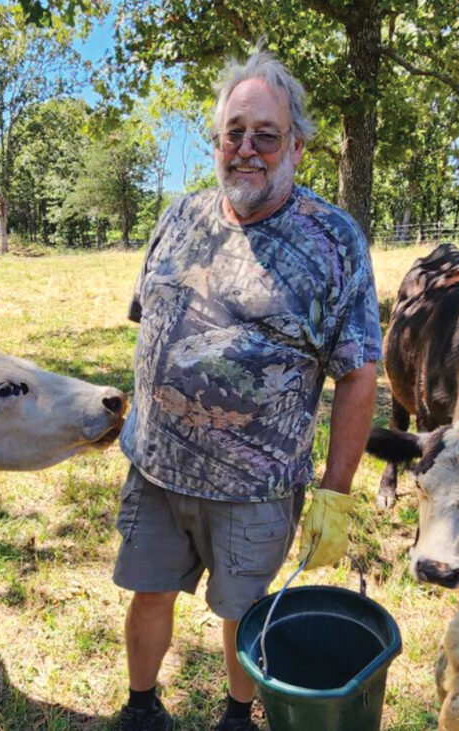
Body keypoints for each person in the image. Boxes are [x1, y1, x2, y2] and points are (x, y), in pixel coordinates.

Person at [113, 46, 381, 731]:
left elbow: (357, 372)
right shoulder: (178, 217)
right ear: (216, 142)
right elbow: (149, 325)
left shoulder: (333, 241)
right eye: (234, 133)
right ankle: (142, 707)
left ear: (296, 146)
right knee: (147, 593)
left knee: (244, 614)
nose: (247, 149)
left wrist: (336, 490)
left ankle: (237, 715)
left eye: (266, 135)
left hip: (254, 491)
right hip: (156, 470)